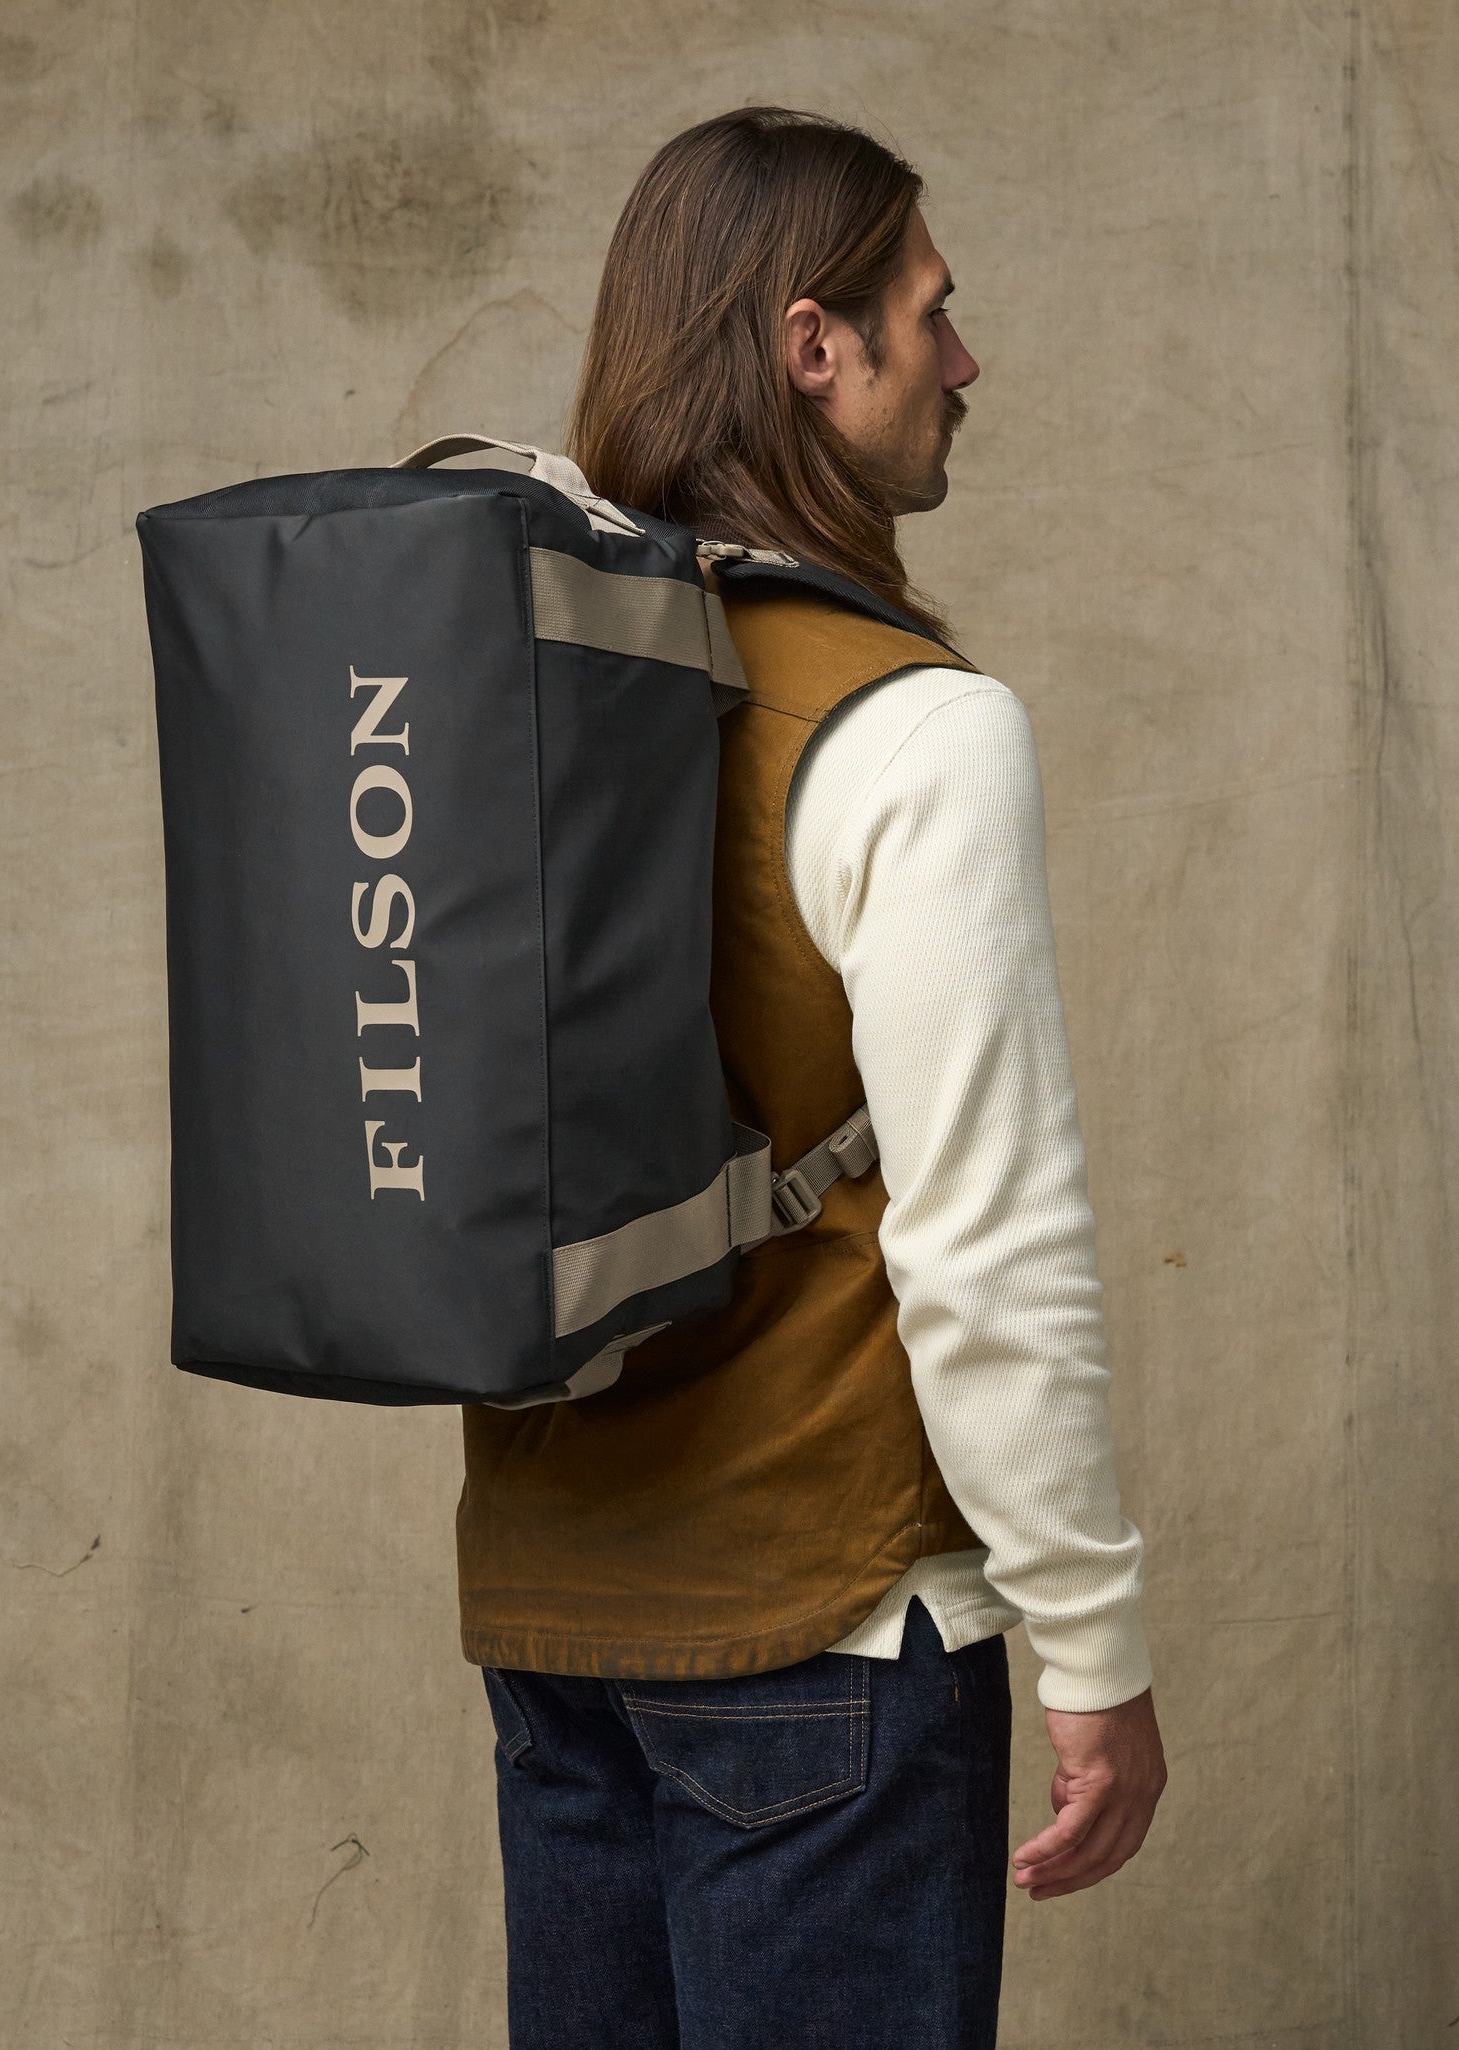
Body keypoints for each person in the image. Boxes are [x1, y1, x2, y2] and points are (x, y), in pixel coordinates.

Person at [456, 106, 1167, 2050]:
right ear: (812, 346)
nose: (963, 358)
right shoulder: (911, 727)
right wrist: (1092, 1639)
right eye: (931, 311)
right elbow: (987, 1243)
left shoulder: (514, 685)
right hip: (821, 1627)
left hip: (551, 1612)